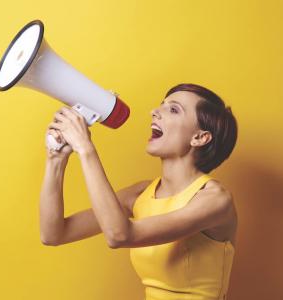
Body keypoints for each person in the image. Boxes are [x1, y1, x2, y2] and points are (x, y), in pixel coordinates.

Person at [40, 83, 238, 300]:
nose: (154, 112)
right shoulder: (142, 193)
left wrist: (85, 149)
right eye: (162, 105)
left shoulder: (215, 200)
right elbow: (54, 234)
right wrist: (56, 160)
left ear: (199, 138)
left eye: (173, 109)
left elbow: (120, 235)